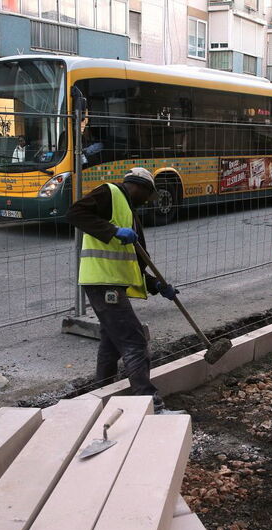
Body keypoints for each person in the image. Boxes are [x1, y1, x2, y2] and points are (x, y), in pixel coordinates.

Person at [67, 167, 178, 413]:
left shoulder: (129, 214)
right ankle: (151, 405)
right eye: (147, 195)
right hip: (103, 283)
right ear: (139, 186)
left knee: (111, 342)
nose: (147, 202)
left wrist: (157, 285)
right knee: (134, 340)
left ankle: (100, 394)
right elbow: (75, 213)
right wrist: (113, 231)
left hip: (108, 282)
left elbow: (135, 262)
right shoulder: (110, 193)